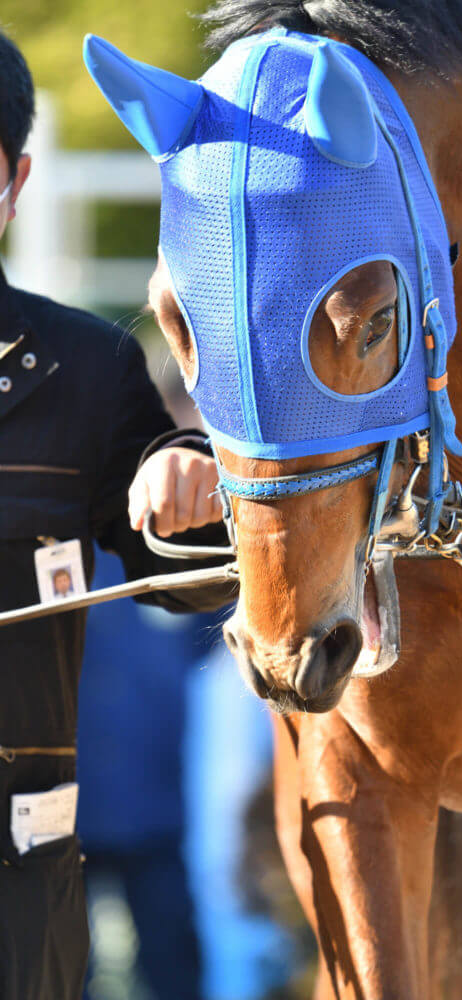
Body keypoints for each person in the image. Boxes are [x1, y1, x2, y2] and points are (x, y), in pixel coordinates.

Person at [0, 27, 234, 1000]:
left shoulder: (88, 369)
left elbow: (197, 578)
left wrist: (192, 480)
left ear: (11, 182)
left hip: (21, 898)